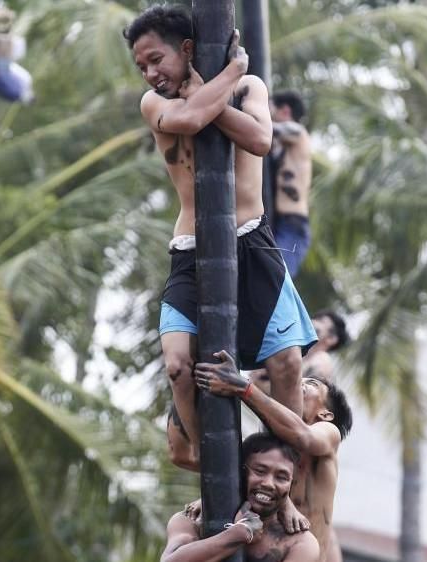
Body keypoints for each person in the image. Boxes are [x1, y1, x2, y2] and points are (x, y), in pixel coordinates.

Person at [125, 5, 317, 464]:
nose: (150, 74)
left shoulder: (251, 88)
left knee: (287, 364)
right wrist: (230, 70)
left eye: (156, 60)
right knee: (177, 367)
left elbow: (258, 139)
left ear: (186, 48)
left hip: (251, 241)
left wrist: (220, 85)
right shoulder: (156, 103)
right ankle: (216, 471)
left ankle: (281, 475)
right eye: (141, 67)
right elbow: (190, 121)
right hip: (190, 250)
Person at [195, 351, 352, 562]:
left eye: (312, 383)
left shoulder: (328, 432)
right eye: (300, 380)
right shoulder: (272, 443)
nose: (300, 383)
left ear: (325, 414)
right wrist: (211, 498)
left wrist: (243, 387)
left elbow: (303, 437)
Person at [161, 432, 319, 562]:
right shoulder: (193, 519)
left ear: (292, 483)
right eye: (260, 471)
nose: (269, 484)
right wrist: (239, 533)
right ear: (239, 472)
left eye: (281, 477)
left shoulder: (299, 542)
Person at [269, 90, 313, 277]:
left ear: (285, 111)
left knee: (278, 279)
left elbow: (268, 128)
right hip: (277, 223)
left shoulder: (298, 132)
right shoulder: (280, 146)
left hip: (293, 225)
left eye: (270, 109)